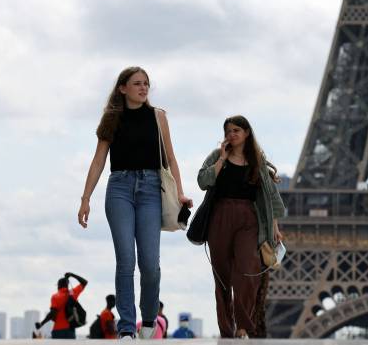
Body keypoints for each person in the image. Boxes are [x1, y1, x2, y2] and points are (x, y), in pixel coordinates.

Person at [77, 67, 193, 340]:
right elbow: (98, 161)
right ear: (122, 88)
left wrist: (179, 194)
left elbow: (172, 159)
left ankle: (149, 317)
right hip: (120, 188)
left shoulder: (158, 117)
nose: (143, 88)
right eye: (137, 84)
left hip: (152, 189)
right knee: (126, 259)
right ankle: (127, 327)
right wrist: (85, 199)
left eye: (146, 84)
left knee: (151, 264)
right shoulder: (112, 118)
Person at [197, 115, 285, 339]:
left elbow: (271, 196)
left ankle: (243, 326)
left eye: (236, 130)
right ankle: (227, 330)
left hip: (249, 218)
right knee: (223, 277)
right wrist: (221, 160)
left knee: (248, 269)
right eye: (228, 131)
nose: (232, 134)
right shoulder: (217, 156)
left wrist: (274, 226)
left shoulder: (257, 161)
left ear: (247, 133)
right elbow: (203, 181)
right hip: (221, 216)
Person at [35, 272, 87, 339]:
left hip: (58, 330)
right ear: (67, 285)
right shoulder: (72, 293)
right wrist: (72, 275)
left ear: (59, 285)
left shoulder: (55, 296)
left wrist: (41, 323)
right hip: (70, 330)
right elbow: (84, 282)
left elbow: (52, 313)